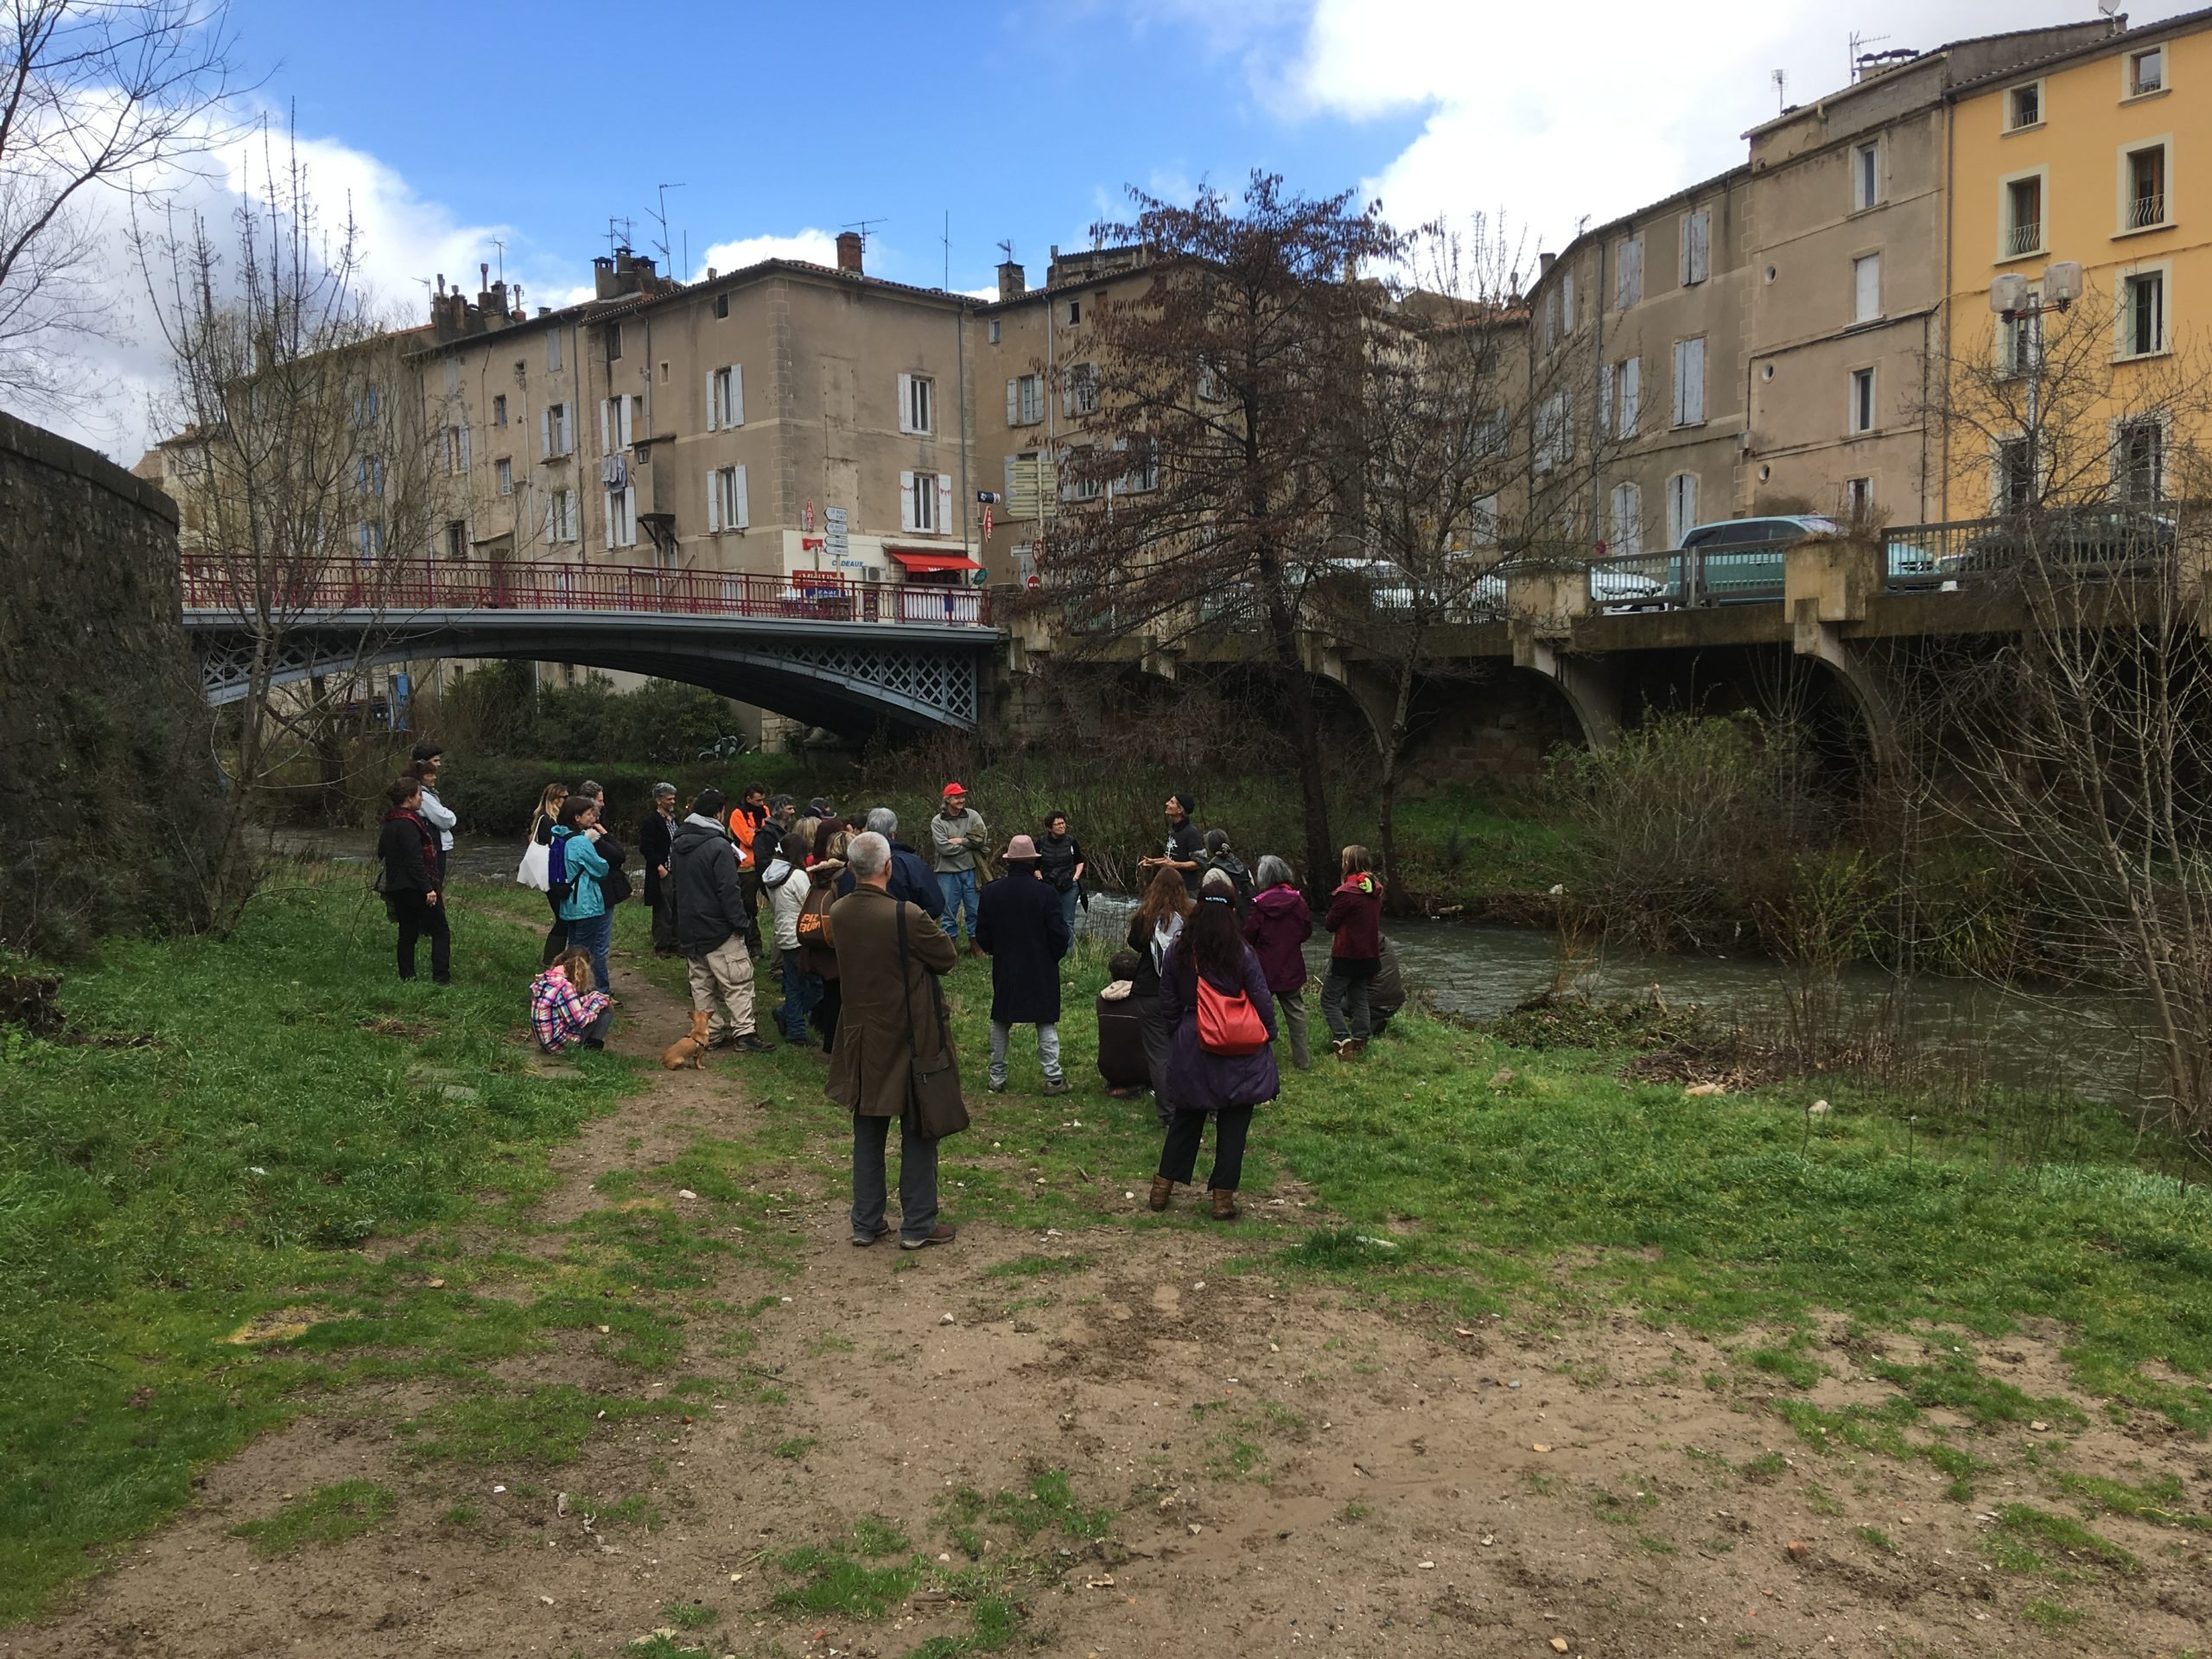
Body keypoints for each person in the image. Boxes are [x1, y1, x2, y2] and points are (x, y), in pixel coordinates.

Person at [827, 831, 959, 1250]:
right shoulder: (907, 916)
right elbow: (947, 958)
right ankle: (918, 1224)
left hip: (861, 1034)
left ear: (850, 868)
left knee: (867, 1127)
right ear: (888, 868)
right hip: (911, 1034)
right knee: (919, 1128)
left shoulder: (839, 912)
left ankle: (866, 1222)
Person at [1151, 868, 1280, 1221]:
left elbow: (1168, 1000)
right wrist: (1268, 1032)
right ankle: (1222, 1199)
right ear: (1232, 911)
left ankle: (1162, 1189)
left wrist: (1182, 1031)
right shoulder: (1241, 951)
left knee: (1187, 1118)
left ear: (1198, 907)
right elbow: (1261, 996)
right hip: (1238, 1043)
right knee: (1235, 1120)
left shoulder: (1179, 949)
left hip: (1193, 1039)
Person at [671, 786, 773, 1053]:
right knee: (737, 980)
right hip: (719, 926)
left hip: (690, 925)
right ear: (718, 813)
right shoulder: (719, 845)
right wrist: (740, 922)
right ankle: (744, 1032)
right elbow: (728, 889)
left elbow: (675, 887)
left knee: (702, 983)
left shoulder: (679, 844)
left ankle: (710, 1033)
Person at [975, 834, 1071, 1095]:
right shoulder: (1046, 893)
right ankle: (1053, 1077)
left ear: (1009, 862)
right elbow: (1059, 933)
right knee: (1045, 1020)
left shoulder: (991, 892)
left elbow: (981, 933)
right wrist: (1053, 956)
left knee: (1001, 1018)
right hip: (1041, 965)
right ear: (1032, 862)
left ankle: (996, 1078)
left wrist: (997, 951)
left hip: (1006, 964)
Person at [1126, 864, 1194, 1125]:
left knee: (1158, 1054)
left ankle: (1169, 1113)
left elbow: (1134, 943)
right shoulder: (1190, 915)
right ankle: (1196, 1102)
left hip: (1149, 990)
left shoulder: (1145, 915)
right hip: (1183, 993)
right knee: (1188, 1049)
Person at [1243, 855, 1315, 1069]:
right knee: (1296, 1013)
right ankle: (1302, 1060)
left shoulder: (1258, 905)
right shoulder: (1298, 901)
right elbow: (1307, 930)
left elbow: (1249, 936)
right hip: (1291, 965)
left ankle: (1265, 1060)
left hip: (1264, 968)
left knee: (1261, 1013)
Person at [378, 774, 449, 984]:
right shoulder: (409, 824)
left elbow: (381, 851)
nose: (421, 799)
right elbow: (414, 860)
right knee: (440, 930)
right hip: (416, 887)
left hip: (396, 886)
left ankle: (407, 977)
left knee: (407, 933)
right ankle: (441, 978)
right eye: (419, 795)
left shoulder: (390, 822)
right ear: (409, 798)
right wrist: (428, 888)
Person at [1321, 844, 1384, 1059]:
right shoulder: (1375, 890)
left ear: (1348, 863)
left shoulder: (1346, 893)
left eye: (1344, 859)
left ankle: (1342, 1041)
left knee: (1329, 1000)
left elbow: (1330, 924)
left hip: (1346, 954)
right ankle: (1360, 1042)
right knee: (1360, 999)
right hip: (1368, 955)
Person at [550, 794, 613, 997]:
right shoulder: (580, 842)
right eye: (588, 813)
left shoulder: (559, 836)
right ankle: (581, 991)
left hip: (568, 902)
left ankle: (567, 987)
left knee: (573, 947)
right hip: (585, 903)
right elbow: (601, 868)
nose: (592, 816)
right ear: (577, 817)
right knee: (584, 953)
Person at [836, 808, 944, 917]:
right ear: (892, 834)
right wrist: (913, 923)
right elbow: (936, 905)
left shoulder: (853, 863)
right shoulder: (912, 865)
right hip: (903, 930)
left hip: (858, 931)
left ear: (867, 830)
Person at [766, 827, 817, 1046]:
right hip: (800, 935)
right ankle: (789, 1016)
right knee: (816, 985)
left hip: (783, 935)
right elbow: (809, 902)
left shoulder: (770, 875)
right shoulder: (797, 876)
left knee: (794, 985)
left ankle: (795, 1030)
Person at [801, 823, 849, 1053]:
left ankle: (829, 1042)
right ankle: (840, 1044)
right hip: (838, 943)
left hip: (819, 942)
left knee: (830, 994)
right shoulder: (843, 877)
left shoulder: (819, 873)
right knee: (843, 997)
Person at [929, 783, 988, 953]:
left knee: (974, 910)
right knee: (948, 914)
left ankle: (976, 946)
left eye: (962, 796)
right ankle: (950, 950)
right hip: (947, 873)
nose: (961, 800)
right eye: (957, 797)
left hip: (971, 870)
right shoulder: (937, 822)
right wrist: (970, 845)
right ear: (947, 800)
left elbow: (981, 839)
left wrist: (960, 841)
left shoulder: (973, 815)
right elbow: (944, 849)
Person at [531, 947, 612, 1052]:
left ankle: (588, 1047)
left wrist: (591, 997)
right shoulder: (565, 987)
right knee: (606, 1008)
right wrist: (597, 1003)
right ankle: (592, 1049)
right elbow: (580, 1021)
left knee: (598, 1000)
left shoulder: (547, 979)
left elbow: (567, 1005)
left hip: (545, 1041)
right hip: (558, 1044)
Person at [1096, 947, 1150, 1097]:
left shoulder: (1100, 1001)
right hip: (1141, 1071)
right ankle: (1139, 1086)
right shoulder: (1143, 1001)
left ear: (1112, 974)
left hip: (1108, 1070)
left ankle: (1119, 1083)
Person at [525, 782, 569, 964]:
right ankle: (551, 958)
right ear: (555, 799)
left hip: (553, 873)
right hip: (552, 874)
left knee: (563, 917)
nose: (567, 800)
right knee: (563, 918)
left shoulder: (549, 818)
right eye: (564, 797)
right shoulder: (547, 820)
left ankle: (554, 958)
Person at [1035, 811, 1086, 954]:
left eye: (1063, 823)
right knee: (1046, 918)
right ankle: (1046, 949)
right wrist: (1040, 880)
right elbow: (1035, 865)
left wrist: (1075, 878)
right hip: (1048, 885)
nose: (1061, 826)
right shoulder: (1041, 843)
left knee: (1067, 921)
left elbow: (1080, 862)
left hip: (1069, 886)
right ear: (1049, 828)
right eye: (1057, 824)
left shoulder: (1071, 841)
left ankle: (1067, 952)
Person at [729, 783, 769, 957]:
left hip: (766, 862)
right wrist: (761, 835)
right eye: (757, 800)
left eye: (762, 800)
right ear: (748, 799)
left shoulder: (765, 810)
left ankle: (755, 945)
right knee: (748, 906)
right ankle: (752, 944)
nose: (761, 804)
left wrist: (759, 833)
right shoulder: (738, 814)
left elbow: (771, 834)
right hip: (746, 867)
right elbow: (748, 839)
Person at [1139, 792, 1205, 897]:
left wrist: (1176, 865)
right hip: (1169, 888)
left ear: (1180, 810)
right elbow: (1171, 858)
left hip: (1186, 890)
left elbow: (1199, 862)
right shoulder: (1173, 830)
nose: (1167, 804)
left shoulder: (1192, 833)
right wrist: (1153, 861)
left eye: (1172, 802)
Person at [410, 743, 456, 887]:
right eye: (435, 761)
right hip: (433, 845)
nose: (439, 764)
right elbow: (445, 819)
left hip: (434, 845)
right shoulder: (422, 794)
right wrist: (451, 815)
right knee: (434, 886)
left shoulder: (425, 791)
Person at [640, 783, 678, 957]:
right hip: (662, 870)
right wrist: (659, 866)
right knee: (663, 909)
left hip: (677, 869)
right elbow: (646, 847)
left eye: (673, 798)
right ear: (659, 800)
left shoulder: (674, 820)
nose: (673, 802)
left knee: (677, 907)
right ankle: (661, 945)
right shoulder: (651, 821)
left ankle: (675, 942)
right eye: (669, 798)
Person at [1202, 829, 1255, 911]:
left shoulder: (1213, 874)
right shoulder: (1244, 869)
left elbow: (1209, 906)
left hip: (1227, 919)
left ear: (1209, 848)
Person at [1369, 938, 1406, 1038]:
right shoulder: (1384, 941)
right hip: (1395, 1003)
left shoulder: (1359, 946)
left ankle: (1357, 1033)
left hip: (1377, 1004)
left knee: (1331, 1001)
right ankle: (1375, 1021)